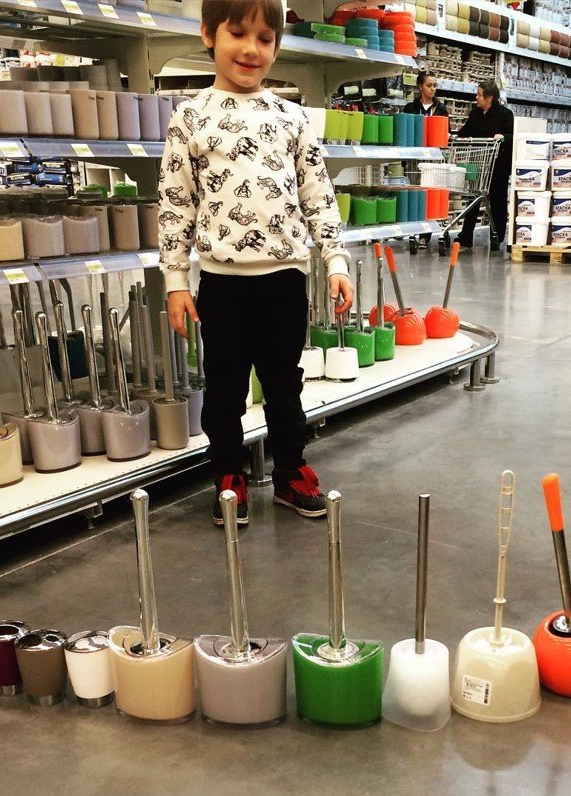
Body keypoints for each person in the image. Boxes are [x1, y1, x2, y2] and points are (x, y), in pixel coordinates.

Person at [159, 0, 353, 525]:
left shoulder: (291, 117)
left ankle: (291, 470)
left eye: (265, 38)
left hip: (284, 279)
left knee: (285, 384)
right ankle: (229, 474)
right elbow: (176, 202)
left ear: (277, 46)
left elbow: (317, 193)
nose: (251, 49)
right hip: (221, 284)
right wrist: (176, 279)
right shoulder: (190, 116)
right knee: (223, 389)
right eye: (238, 33)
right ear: (208, 34)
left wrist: (335, 259)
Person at [454, 80, 514, 251]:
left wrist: (503, 137)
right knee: (473, 198)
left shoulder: (505, 114)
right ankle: (466, 236)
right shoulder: (475, 114)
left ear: (489, 98)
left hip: (498, 166)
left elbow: (513, 135)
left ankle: (497, 236)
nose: (476, 97)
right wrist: (453, 136)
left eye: (479, 94)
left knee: (498, 201)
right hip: (477, 162)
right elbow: (465, 132)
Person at [404, 72, 448, 249]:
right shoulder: (410, 108)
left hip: (433, 159)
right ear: (420, 87)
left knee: (429, 194)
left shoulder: (441, 108)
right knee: (416, 194)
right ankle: (414, 230)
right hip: (415, 158)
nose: (432, 89)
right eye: (429, 85)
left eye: (435, 85)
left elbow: (445, 131)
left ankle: (425, 235)